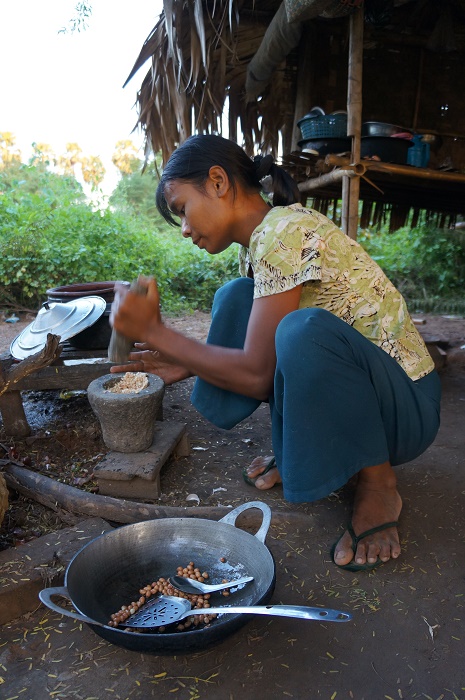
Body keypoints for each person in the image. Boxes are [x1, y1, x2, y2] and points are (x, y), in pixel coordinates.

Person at [110, 134, 441, 572]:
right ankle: (300, 447)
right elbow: (264, 360)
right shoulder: (260, 245)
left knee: (302, 330)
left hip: (405, 409)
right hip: (372, 398)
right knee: (238, 297)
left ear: (217, 182)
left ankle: (378, 484)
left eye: (182, 210)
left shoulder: (286, 231)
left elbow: (256, 371)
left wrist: (158, 333)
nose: (185, 229)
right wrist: (187, 358)